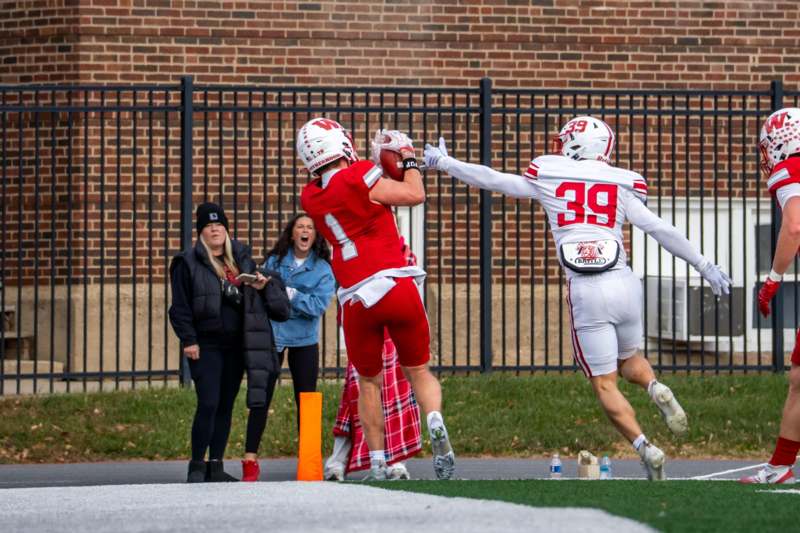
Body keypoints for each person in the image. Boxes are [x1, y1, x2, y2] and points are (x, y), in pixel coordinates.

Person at [424, 116, 731, 480]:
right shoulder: (621, 183)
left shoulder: (551, 176)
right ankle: (655, 386)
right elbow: (660, 229)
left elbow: (495, 180)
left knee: (604, 383)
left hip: (587, 290)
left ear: (575, 144)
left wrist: (446, 163)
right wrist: (704, 265)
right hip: (625, 282)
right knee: (631, 357)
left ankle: (645, 448)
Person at [298, 118, 455, 480]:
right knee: (419, 371)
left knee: (368, 382)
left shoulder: (310, 196)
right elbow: (414, 194)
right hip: (394, 283)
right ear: (341, 143)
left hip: (355, 299)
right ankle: (434, 420)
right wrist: (406, 157)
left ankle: (379, 460)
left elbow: (344, 191)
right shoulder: (360, 174)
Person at [169, 202, 290, 483]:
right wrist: (189, 339)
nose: (215, 230)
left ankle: (215, 465)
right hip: (206, 344)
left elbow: (257, 297)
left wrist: (260, 284)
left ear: (226, 229)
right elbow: (180, 307)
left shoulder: (241, 259)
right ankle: (197, 465)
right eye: (209, 226)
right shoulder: (187, 263)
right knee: (208, 402)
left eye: (219, 225)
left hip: (236, 344)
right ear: (201, 232)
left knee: (225, 404)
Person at [240, 213, 335, 482]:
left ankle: (309, 461)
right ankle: (249, 460)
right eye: (300, 227)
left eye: (310, 228)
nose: (305, 232)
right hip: (274, 335)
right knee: (261, 395)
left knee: (306, 400)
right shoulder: (275, 262)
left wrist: (288, 294)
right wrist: (263, 287)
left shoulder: (323, 270)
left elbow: (317, 307)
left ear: (315, 236)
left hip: (304, 340)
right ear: (291, 234)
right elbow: (263, 295)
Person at [324, 238, 423, 481]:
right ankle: (337, 463)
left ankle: (396, 462)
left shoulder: (402, 252)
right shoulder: (353, 252)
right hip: (365, 334)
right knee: (354, 398)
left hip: (395, 337)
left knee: (396, 400)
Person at [741, 108, 800, 484]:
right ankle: (780, 464)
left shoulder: (789, 171)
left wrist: (774, 279)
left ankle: (780, 465)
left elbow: (794, 226)